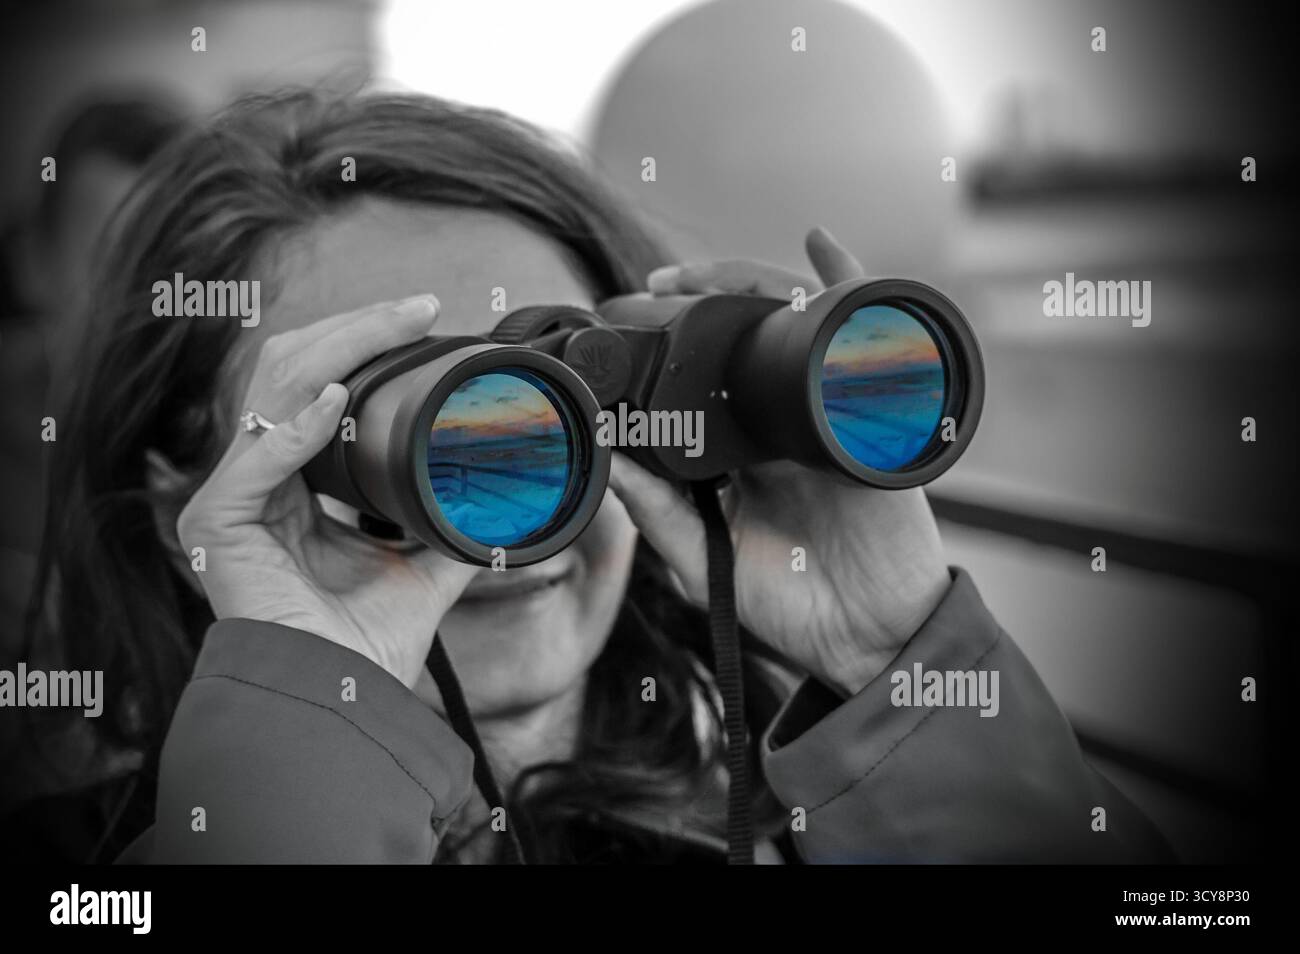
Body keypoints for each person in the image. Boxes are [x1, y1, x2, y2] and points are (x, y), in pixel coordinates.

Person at [12, 89, 1172, 863]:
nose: (534, 503)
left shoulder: (791, 820)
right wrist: (304, 733)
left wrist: (898, 678)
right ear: (186, 509)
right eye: (423, 422)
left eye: (566, 410)